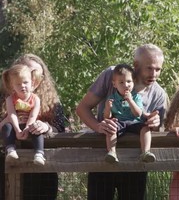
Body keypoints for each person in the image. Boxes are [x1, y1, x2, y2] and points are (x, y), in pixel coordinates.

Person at [76, 43, 168, 200]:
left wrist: (156, 123)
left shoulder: (159, 94)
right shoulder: (113, 75)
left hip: (135, 161)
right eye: (149, 68)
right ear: (136, 65)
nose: (154, 74)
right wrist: (98, 126)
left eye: (158, 69)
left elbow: (160, 129)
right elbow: (82, 108)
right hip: (103, 157)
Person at [0, 53, 68, 200]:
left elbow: (61, 128)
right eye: (28, 71)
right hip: (7, 165)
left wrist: (47, 128)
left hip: (41, 168)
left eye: (36, 73)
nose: (32, 76)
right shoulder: (5, 98)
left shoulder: (52, 101)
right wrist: (9, 120)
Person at [103, 64, 155, 163]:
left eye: (129, 81)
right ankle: (112, 152)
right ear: (114, 84)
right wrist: (108, 108)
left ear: (133, 82)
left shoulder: (136, 97)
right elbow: (106, 117)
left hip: (134, 121)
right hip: (119, 122)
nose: (126, 85)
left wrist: (130, 100)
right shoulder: (112, 98)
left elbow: (138, 114)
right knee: (111, 129)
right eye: (121, 82)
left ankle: (146, 152)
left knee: (146, 129)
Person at [1, 64, 44, 165]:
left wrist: (27, 128)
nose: (22, 86)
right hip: (15, 124)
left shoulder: (35, 99)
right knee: (6, 127)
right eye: (18, 84)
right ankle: (10, 150)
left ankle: (39, 154)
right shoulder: (10, 99)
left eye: (25, 82)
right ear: (12, 86)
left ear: (32, 82)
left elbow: (33, 115)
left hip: (29, 124)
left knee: (37, 129)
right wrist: (17, 129)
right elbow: (12, 115)